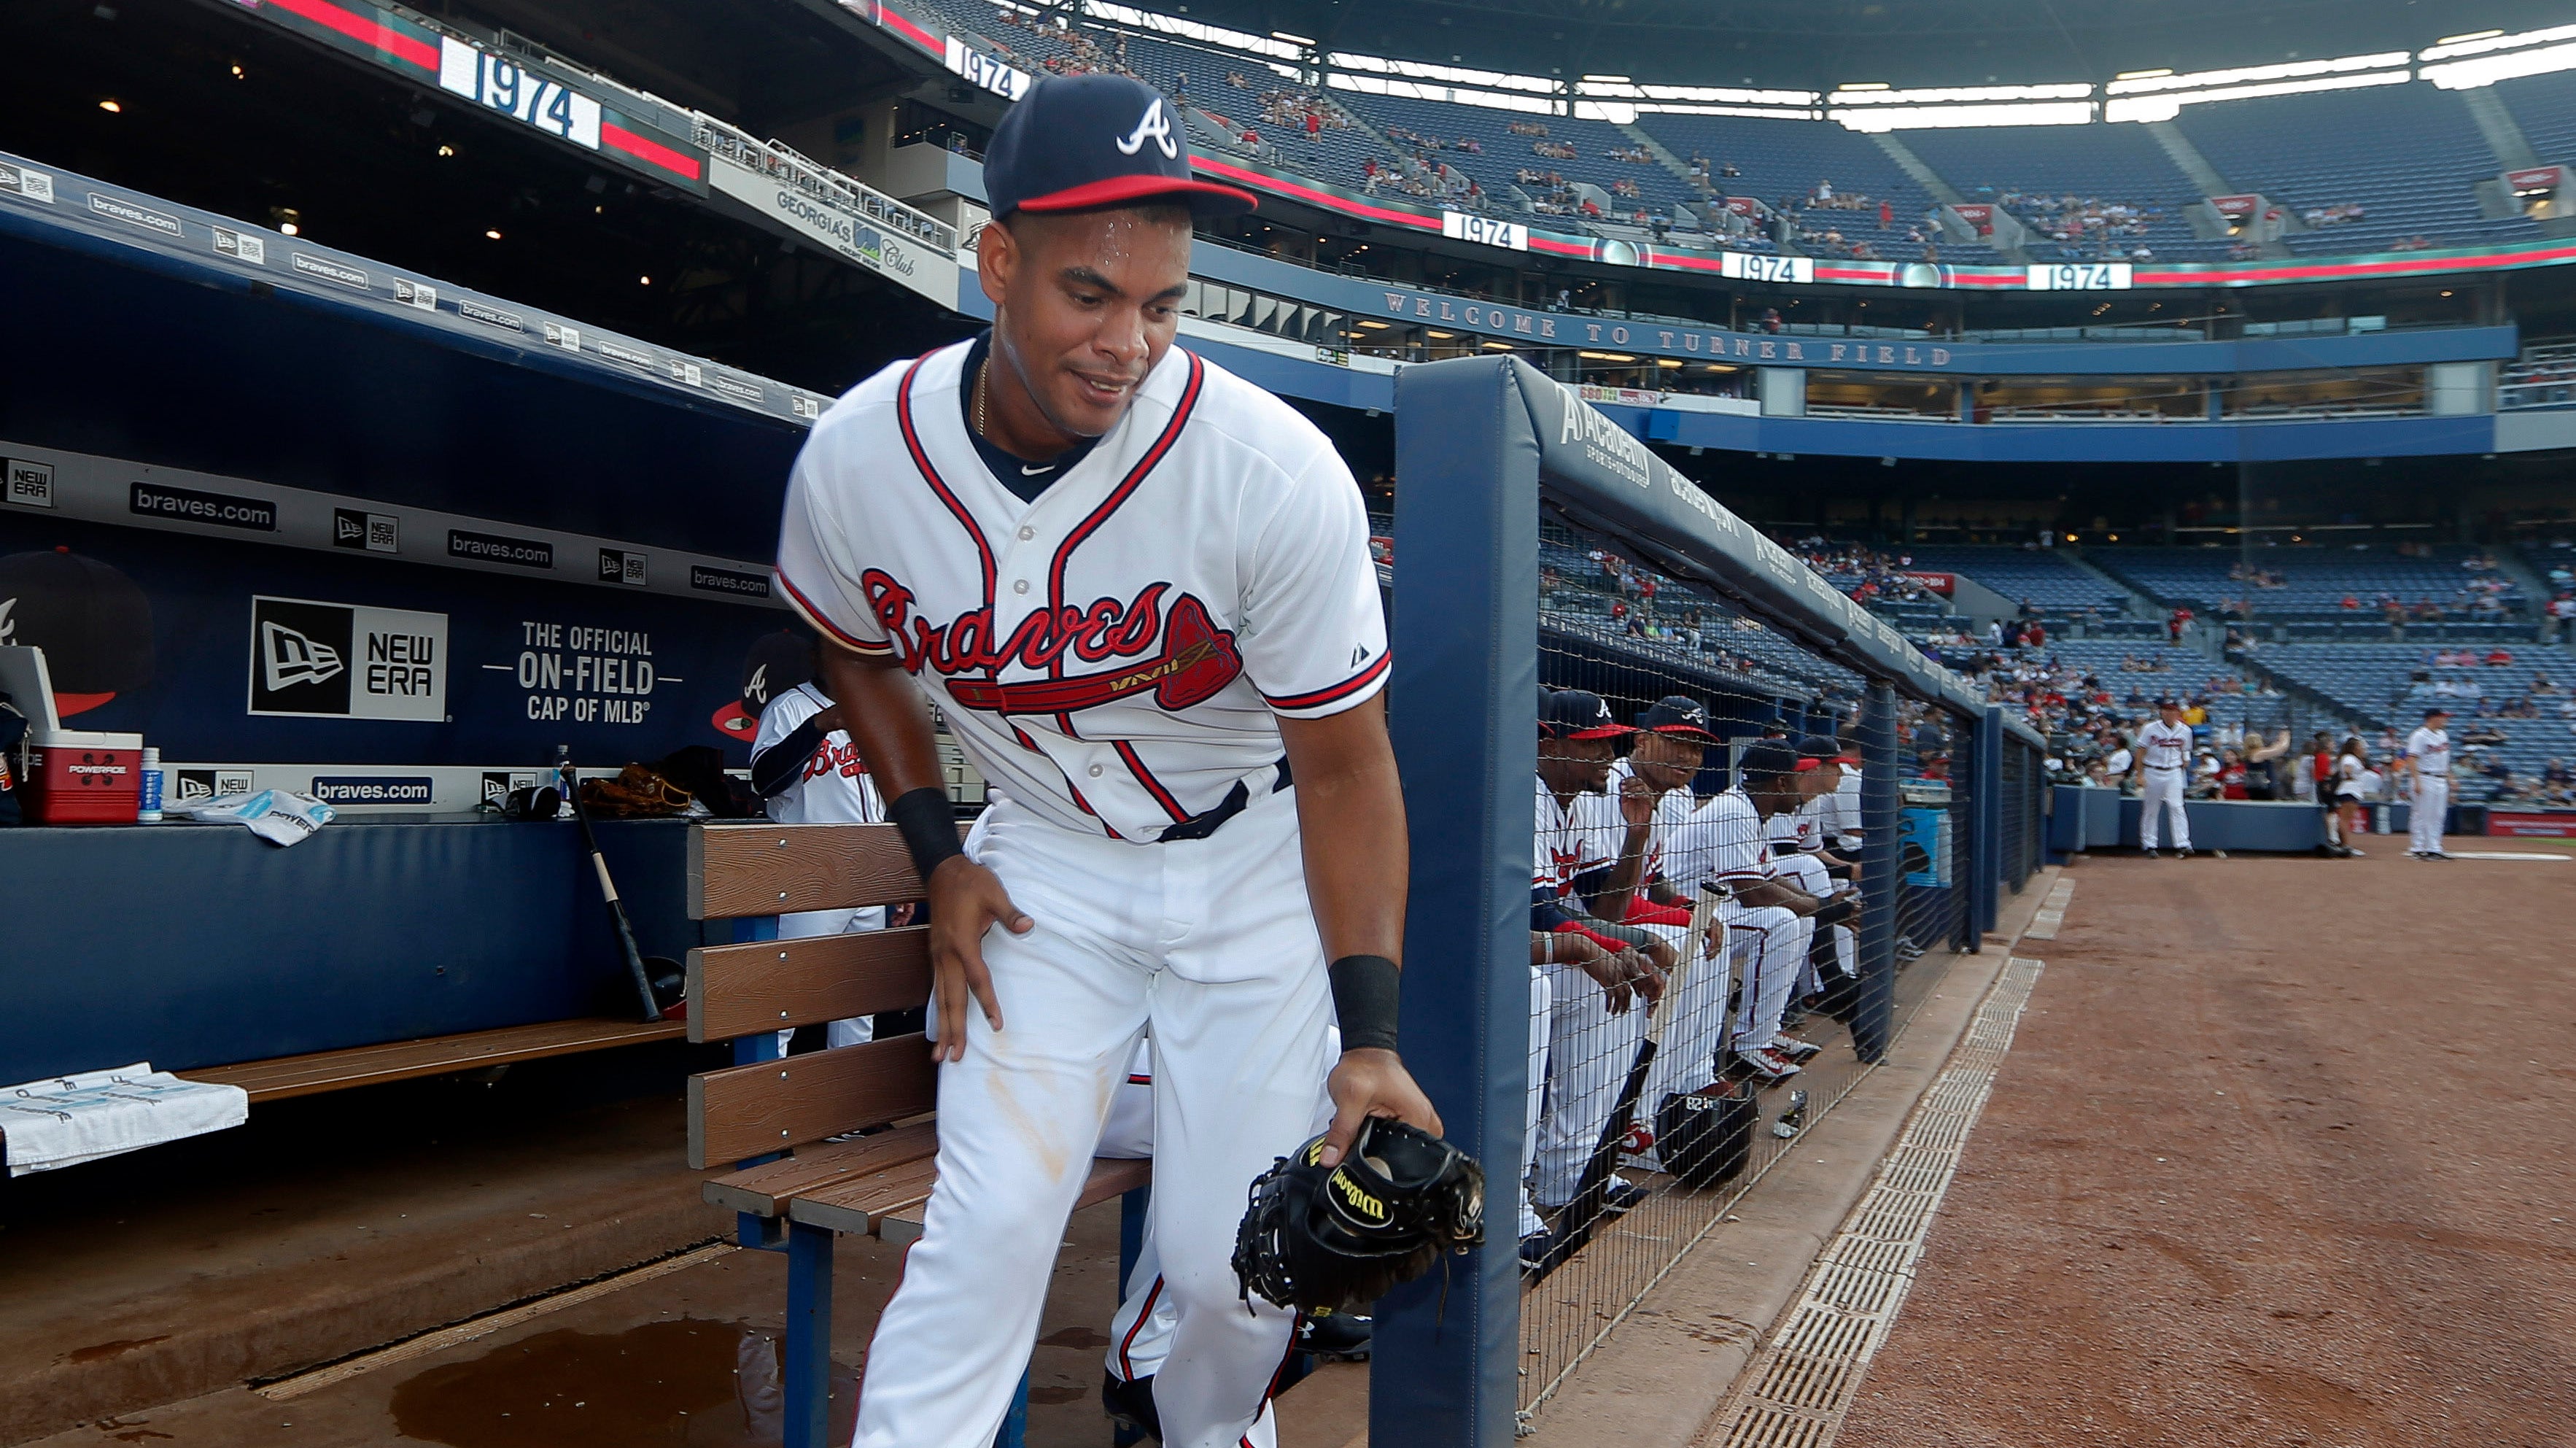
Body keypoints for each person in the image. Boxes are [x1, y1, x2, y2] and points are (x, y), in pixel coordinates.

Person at [771, 74, 1437, 1448]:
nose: (1127, 342)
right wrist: (937, 856)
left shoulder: (1270, 471)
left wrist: (1366, 1037)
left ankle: (1197, 1420)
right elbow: (853, 647)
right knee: (989, 1226)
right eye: (1090, 294)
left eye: (1164, 304)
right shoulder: (856, 458)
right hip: (1045, 873)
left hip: (1248, 868)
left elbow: (1348, 768)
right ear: (996, 261)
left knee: (1233, 1273)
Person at [745, 632, 910, 1056]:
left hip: (867, 873)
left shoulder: (876, 711)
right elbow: (764, 780)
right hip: (809, 873)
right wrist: (820, 725)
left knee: (857, 1005)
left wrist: (895, 875)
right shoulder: (789, 708)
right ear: (819, 658)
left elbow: (885, 800)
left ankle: (848, 1115)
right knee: (788, 998)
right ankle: (766, 1107)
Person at [2133, 700, 2193, 858]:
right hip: (2153, 770)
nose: (2168, 713)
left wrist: (2186, 759)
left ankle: (2183, 844)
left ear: (2177, 713)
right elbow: (2140, 752)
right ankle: (2149, 844)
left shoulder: (2185, 730)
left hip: (2174, 771)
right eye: (2166, 710)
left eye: (2172, 710)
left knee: (2177, 806)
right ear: (2161, 712)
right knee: (2152, 808)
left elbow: (2186, 749)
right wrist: (2139, 774)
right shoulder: (2150, 728)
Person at [2404, 706, 2455, 860]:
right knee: (2422, 813)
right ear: (2433, 718)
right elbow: (2412, 758)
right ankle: (2418, 848)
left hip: (2440, 778)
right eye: (2443, 717)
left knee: (2438, 815)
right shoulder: (2419, 735)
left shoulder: (2443, 735)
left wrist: (2450, 777)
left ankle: (2434, 848)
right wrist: (2416, 781)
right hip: (2424, 777)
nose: (2445, 720)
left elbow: (2444, 761)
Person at [2335, 737, 2373, 856]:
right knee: (2345, 819)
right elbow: (2347, 769)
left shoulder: (2353, 758)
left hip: (2352, 790)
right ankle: (2345, 846)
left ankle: (2344, 844)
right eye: (2360, 746)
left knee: (2346, 819)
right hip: (2349, 789)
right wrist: (2350, 776)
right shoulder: (2349, 758)